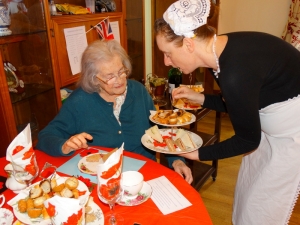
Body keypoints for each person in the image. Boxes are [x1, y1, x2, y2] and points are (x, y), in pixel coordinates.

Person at [155, 0, 300, 224]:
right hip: (266, 126)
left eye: (168, 53)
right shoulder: (218, 53)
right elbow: (240, 104)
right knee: (248, 191)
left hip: (292, 134)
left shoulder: (234, 71)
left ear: (188, 45)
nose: (166, 62)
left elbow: (248, 140)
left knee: (263, 205)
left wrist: (197, 154)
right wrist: (199, 97)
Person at [36, 39, 192, 184]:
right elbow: (45, 137)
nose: (119, 80)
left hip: (144, 173)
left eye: (121, 71)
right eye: (109, 77)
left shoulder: (138, 91)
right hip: (102, 178)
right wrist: (64, 145)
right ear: (94, 79)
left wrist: (176, 160)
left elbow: (161, 130)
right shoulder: (79, 101)